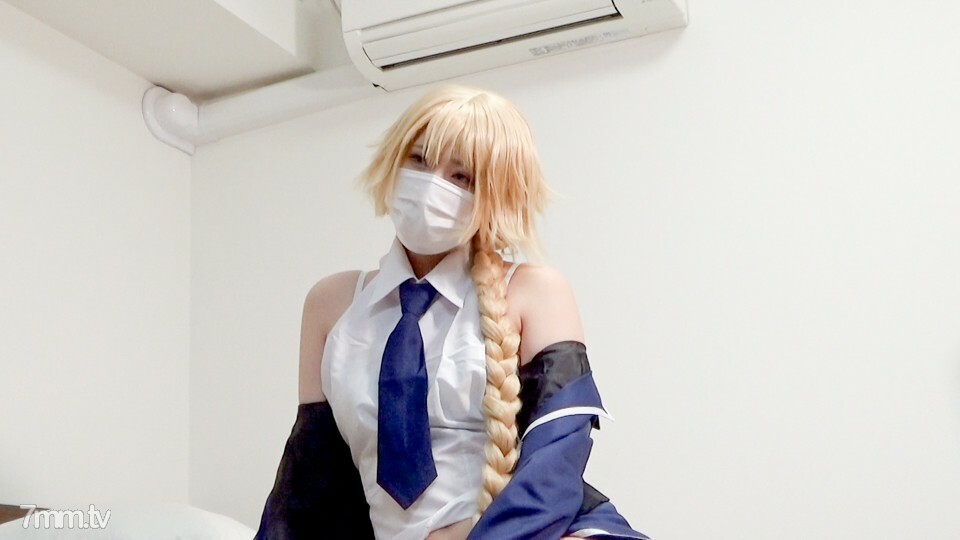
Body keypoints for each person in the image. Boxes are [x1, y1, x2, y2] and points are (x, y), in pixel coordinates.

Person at [255, 84, 648, 539]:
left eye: (461, 177)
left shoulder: (535, 291)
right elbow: (308, 484)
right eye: (419, 160)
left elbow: (555, 462)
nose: (431, 185)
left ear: (496, 196)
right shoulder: (332, 305)